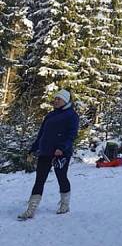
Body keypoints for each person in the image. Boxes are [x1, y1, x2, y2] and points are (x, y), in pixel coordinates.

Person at [18, 89, 80, 220]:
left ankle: (65, 204)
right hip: (45, 151)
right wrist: (33, 149)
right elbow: (42, 134)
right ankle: (31, 209)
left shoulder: (71, 115)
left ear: (66, 100)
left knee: (61, 177)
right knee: (40, 179)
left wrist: (62, 148)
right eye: (55, 98)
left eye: (59, 99)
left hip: (61, 153)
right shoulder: (50, 115)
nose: (56, 101)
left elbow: (72, 134)